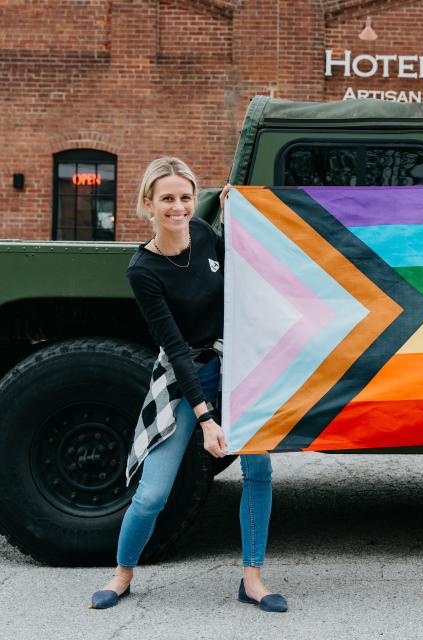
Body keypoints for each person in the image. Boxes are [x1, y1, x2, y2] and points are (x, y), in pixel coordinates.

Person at [90, 158, 287, 612]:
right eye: (167, 199)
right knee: (154, 492)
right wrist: (205, 419)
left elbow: (238, 274)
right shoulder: (143, 270)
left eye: (185, 197)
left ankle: (252, 579)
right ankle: (122, 573)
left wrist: (237, 215)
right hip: (186, 376)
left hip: (237, 367)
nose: (178, 208)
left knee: (258, 471)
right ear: (148, 204)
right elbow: (175, 348)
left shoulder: (203, 232)